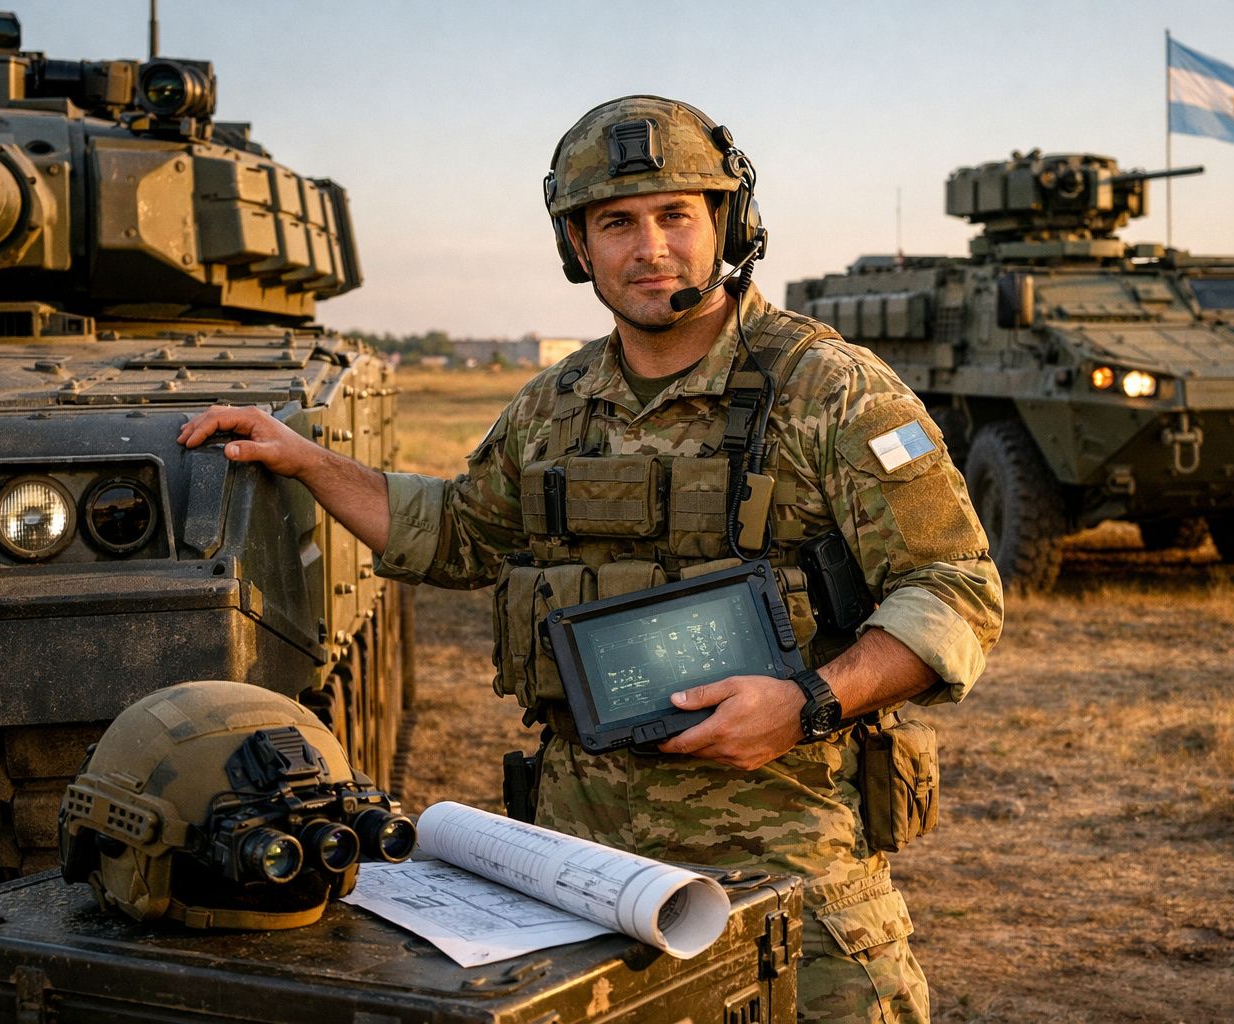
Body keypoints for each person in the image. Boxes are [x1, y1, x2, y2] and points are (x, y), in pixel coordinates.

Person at [178, 95, 1002, 1023]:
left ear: (725, 225)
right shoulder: (554, 407)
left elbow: (955, 590)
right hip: (584, 877)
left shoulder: (830, 390)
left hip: (786, 868)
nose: (650, 248)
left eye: (675, 216)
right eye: (617, 222)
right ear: (578, 246)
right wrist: (306, 458)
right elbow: (456, 533)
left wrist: (806, 702)